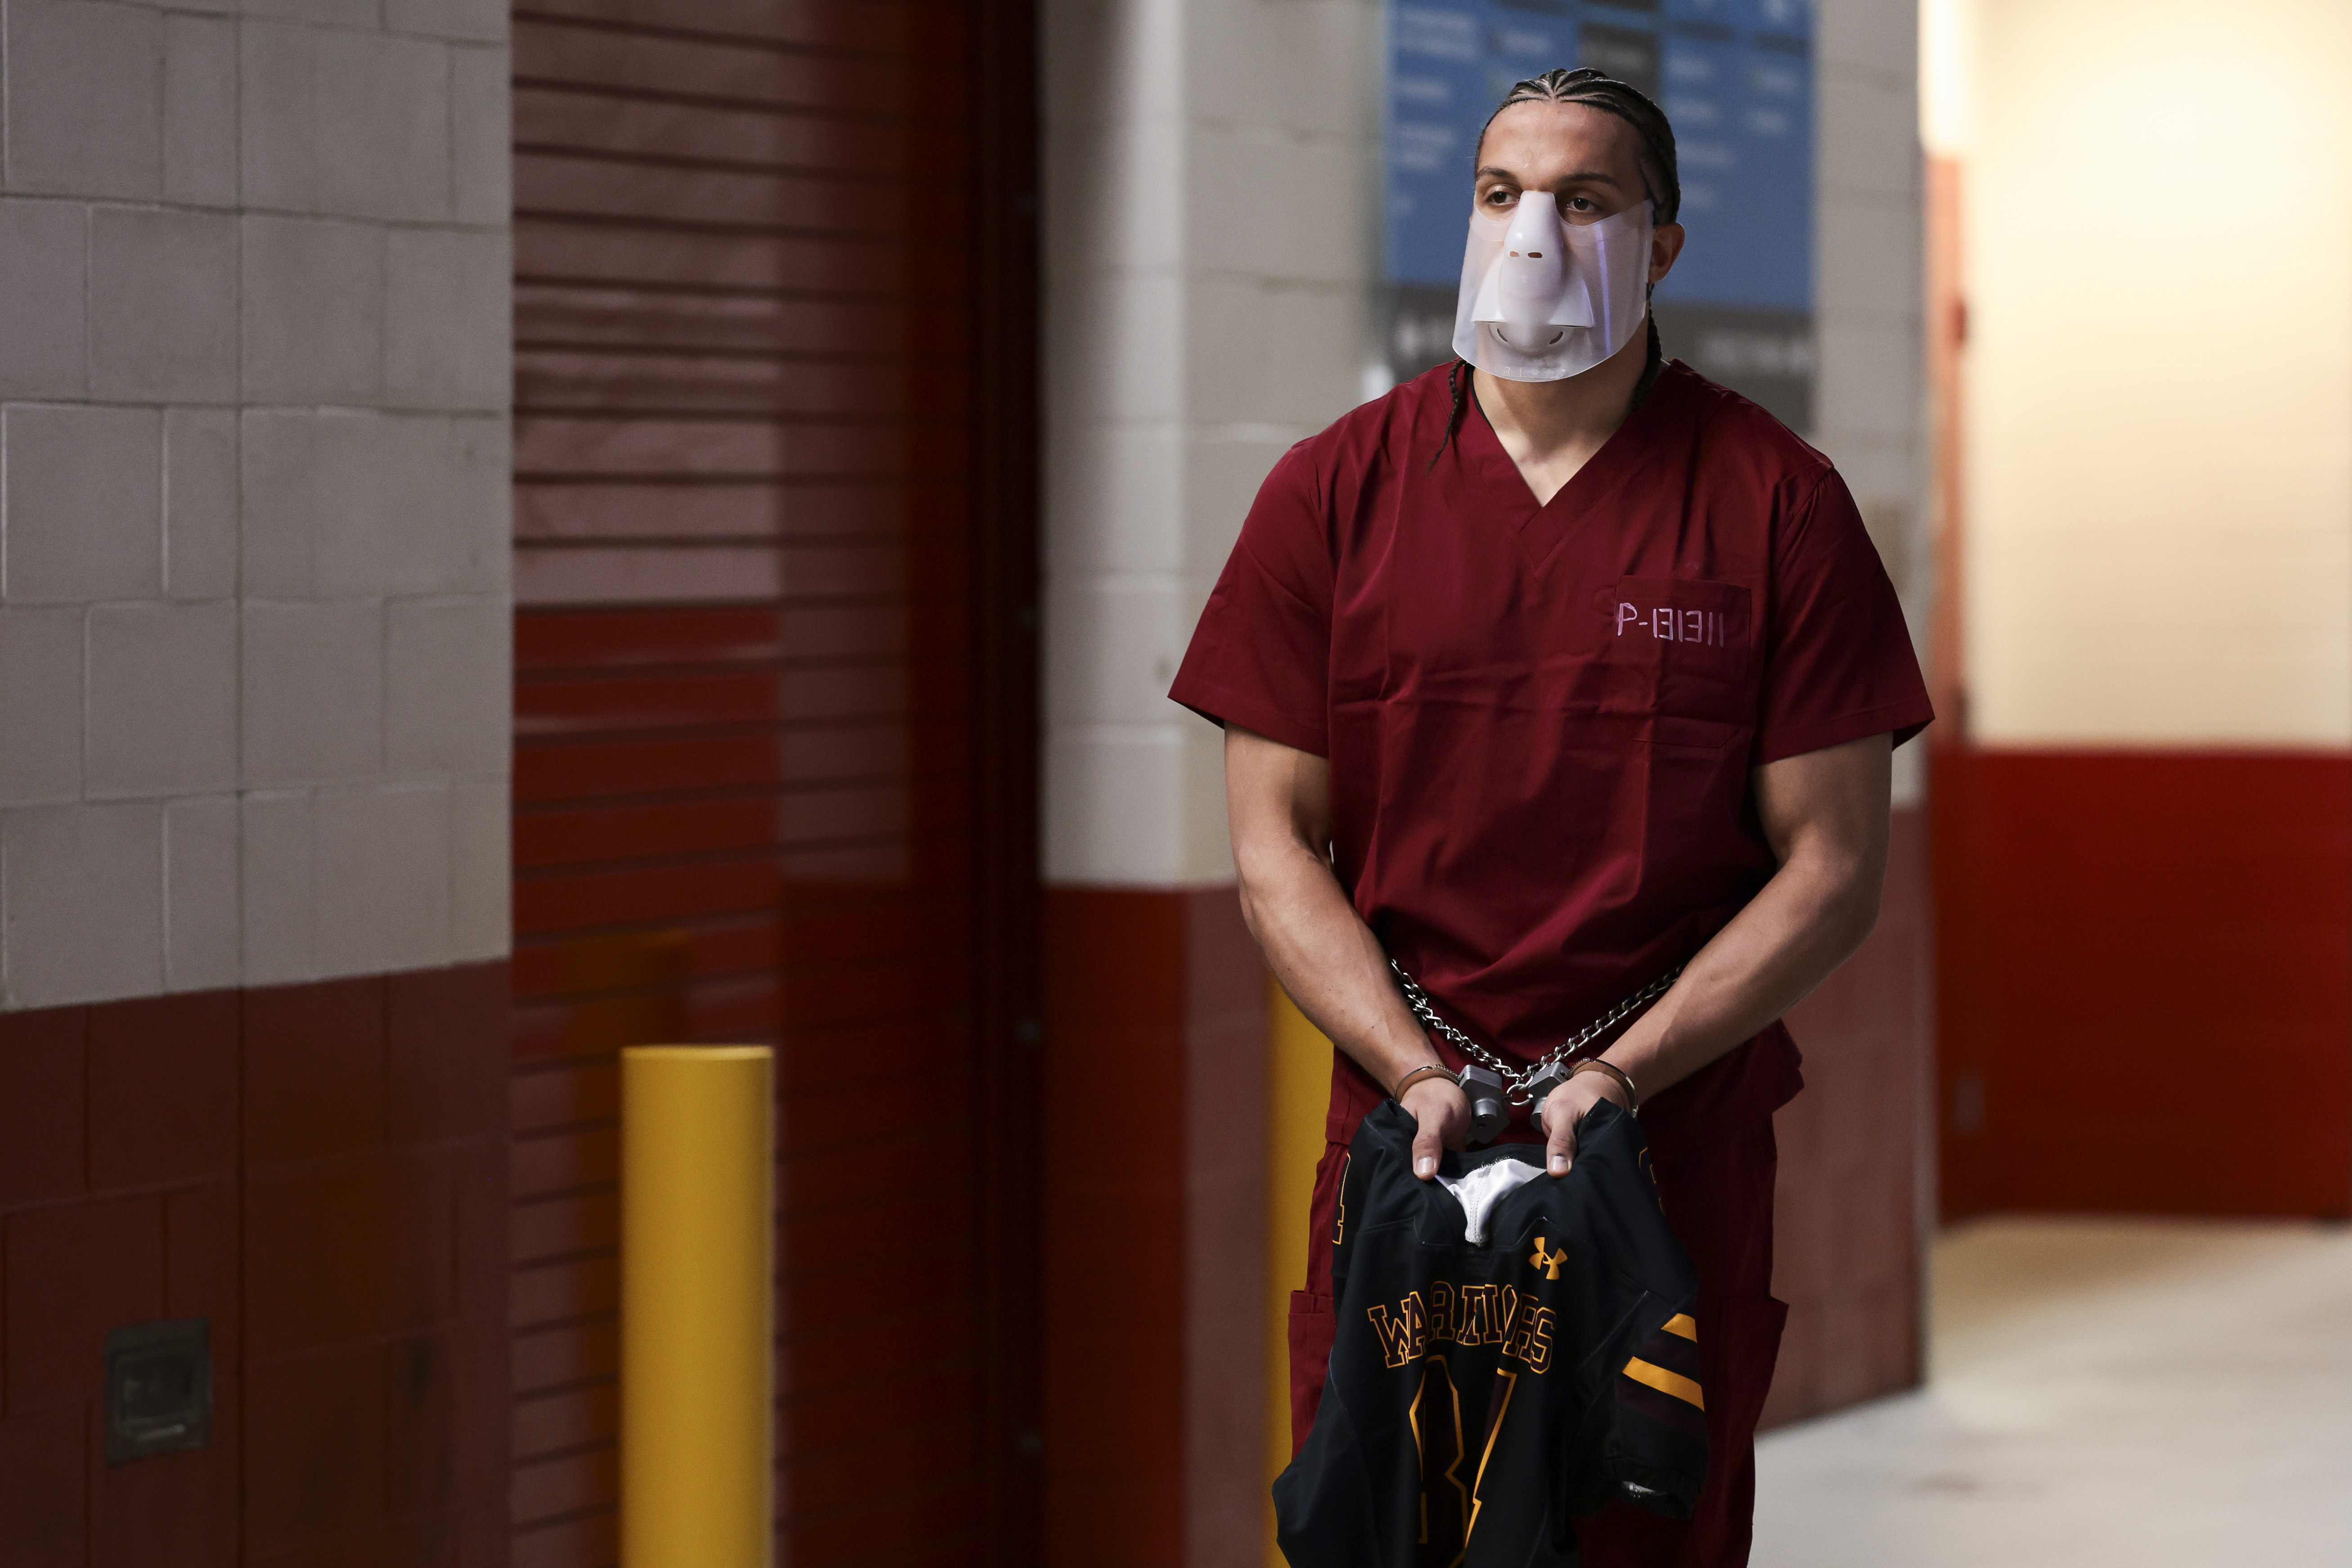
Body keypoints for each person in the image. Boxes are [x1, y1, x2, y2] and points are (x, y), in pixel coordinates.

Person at [1168, 67, 1933, 1566]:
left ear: (1661, 245)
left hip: (1661, 1150)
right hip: (1406, 1151)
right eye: (1499, 193)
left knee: (1637, 1533)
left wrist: (1622, 1075)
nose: (1532, 230)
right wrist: (1412, 1070)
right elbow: (1271, 849)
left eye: (1583, 200)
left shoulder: (1774, 503)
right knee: (1383, 1525)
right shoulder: (1333, 492)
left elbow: (1833, 866)